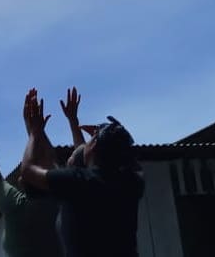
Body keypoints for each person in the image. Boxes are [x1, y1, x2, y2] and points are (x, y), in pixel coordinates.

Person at [20, 91, 144, 257]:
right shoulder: (131, 184)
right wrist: (75, 122)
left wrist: (35, 131)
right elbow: (89, 160)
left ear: (93, 147)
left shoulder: (77, 182)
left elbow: (28, 170)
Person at [0, 88, 62, 257]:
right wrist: (36, 131)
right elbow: (50, 164)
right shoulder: (58, 203)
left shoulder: (15, 206)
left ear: (22, 181)